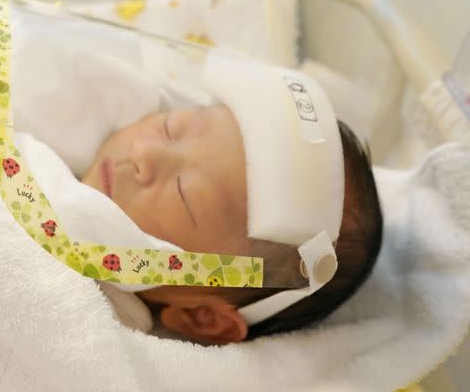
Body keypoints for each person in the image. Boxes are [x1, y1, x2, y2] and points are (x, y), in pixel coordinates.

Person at [81, 104, 383, 344]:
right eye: (170, 127)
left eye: (183, 193)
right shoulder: (99, 105)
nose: (144, 152)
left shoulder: (98, 327)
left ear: (202, 317)